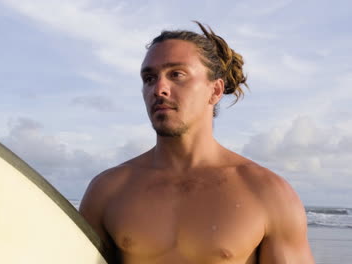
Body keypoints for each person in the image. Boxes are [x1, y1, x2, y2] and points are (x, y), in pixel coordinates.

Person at [79, 21, 315, 264]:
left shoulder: (268, 193)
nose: (159, 88)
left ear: (215, 91)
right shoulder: (108, 190)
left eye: (177, 75)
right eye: (149, 78)